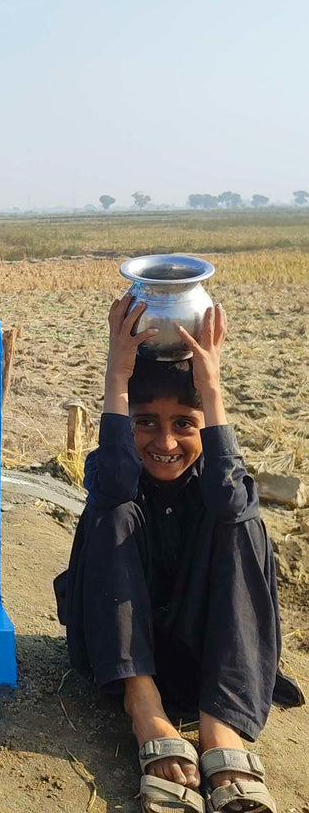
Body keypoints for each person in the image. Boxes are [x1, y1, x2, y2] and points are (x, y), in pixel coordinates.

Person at [56, 296, 301, 813]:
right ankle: (144, 708)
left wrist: (211, 386)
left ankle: (221, 725)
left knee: (239, 520)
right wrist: (117, 375)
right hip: (123, 656)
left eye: (185, 424)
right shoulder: (113, 472)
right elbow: (115, 482)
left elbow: (231, 500)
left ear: (205, 426)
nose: (165, 442)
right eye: (145, 422)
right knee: (112, 511)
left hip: (209, 659)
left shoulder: (218, 480)